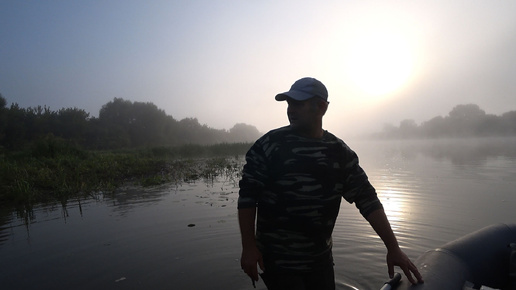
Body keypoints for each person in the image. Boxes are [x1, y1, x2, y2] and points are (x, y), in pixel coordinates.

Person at [238, 77, 424, 290]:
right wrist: (249, 247)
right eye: (289, 103)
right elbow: (247, 197)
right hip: (279, 261)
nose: (290, 109)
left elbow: (367, 199)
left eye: (298, 103)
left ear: (321, 107)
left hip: (320, 259)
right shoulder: (268, 146)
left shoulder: (339, 153)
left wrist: (393, 248)